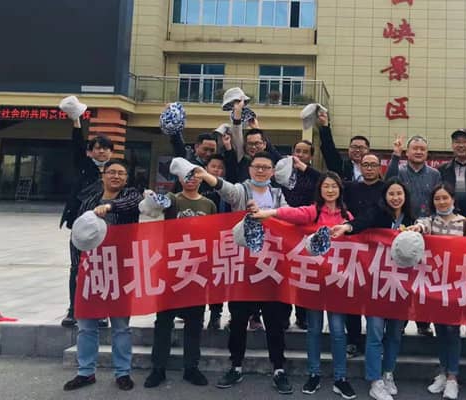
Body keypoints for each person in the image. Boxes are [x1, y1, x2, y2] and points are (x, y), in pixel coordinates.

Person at [252, 172, 356, 399]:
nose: (330, 190)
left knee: (338, 331)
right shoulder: (312, 212)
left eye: (334, 186)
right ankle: (314, 374)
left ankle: (340, 378)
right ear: (320, 190)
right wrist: (267, 213)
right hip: (314, 282)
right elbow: (290, 213)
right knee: (314, 330)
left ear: (340, 189)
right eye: (326, 186)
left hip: (337, 282)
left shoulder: (347, 216)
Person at [209, 152, 294, 394]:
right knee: (238, 321)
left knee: (274, 322)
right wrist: (205, 175)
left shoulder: (278, 195)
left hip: (270, 269)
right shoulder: (241, 191)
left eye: (266, 167)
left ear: (272, 172)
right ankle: (235, 366)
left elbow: (289, 216)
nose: (261, 171)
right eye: (257, 166)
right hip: (242, 269)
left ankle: (279, 369)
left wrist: (269, 214)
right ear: (250, 169)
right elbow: (223, 188)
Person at [331, 178, 415, 400]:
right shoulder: (377, 214)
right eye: (391, 194)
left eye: (399, 193)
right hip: (377, 285)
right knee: (375, 333)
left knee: (394, 334)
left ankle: (388, 373)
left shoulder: (411, 219)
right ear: (385, 196)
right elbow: (362, 222)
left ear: (405, 196)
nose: (395, 198)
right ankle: (375, 380)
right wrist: (347, 227)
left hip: (401, 286)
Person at [63, 159, 142, 392]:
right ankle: (85, 372)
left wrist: (109, 207)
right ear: (103, 176)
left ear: (126, 178)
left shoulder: (131, 197)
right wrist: (77, 266)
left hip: (120, 269)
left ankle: (123, 372)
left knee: (121, 326)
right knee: (86, 325)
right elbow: (77, 235)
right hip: (92, 269)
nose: (116, 176)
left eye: (121, 173)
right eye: (112, 172)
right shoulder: (89, 201)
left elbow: (131, 204)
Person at [143, 168, 217, 389]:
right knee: (163, 321)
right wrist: (151, 198)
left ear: (201, 178)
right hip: (171, 268)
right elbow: (155, 206)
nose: (191, 179)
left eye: (194, 176)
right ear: (179, 178)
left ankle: (191, 367)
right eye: (186, 175)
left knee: (195, 322)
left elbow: (214, 233)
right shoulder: (172, 200)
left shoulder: (209, 205)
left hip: (196, 270)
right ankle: (158, 368)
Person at [406, 184, 466, 400]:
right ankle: (443, 372)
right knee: (440, 331)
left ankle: (453, 377)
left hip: (455, 286)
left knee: (453, 332)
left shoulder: (464, 223)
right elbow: (421, 226)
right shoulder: (430, 222)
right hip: (434, 286)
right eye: (437, 199)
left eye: (445, 198)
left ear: (453, 199)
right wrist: (417, 228)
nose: (442, 202)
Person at [60, 115, 114, 328]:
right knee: (77, 268)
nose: (102, 152)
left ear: (111, 152)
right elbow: (76, 146)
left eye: (106, 148)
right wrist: (76, 121)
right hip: (81, 228)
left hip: (107, 229)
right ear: (90, 151)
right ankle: (73, 310)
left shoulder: (116, 171)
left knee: (103, 268)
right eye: (97, 148)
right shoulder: (84, 166)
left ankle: (100, 311)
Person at [386, 135, 441, 336]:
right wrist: (395, 155)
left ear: (427, 153)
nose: (418, 152)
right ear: (407, 152)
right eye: (414, 148)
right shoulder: (399, 171)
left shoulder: (435, 174)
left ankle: (423, 323)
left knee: (423, 278)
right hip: (403, 228)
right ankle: (399, 322)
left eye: (422, 149)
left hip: (426, 230)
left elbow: (438, 199)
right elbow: (388, 184)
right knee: (402, 277)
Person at [341, 153, 388, 357]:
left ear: (380, 167)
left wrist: (351, 226)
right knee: (352, 294)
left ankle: (375, 342)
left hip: (380, 251)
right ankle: (353, 340)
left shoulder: (386, 190)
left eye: (373, 165)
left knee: (377, 296)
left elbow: (375, 215)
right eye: (365, 164)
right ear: (360, 167)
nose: (369, 168)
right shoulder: (351, 188)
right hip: (353, 248)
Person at [277, 140, 323, 331]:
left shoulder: (314, 175)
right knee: (284, 274)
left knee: (303, 274)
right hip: (284, 227)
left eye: (305, 152)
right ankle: (283, 316)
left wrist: (305, 169)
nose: (300, 155)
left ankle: (302, 316)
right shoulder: (283, 170)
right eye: (297, 151)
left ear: (311, 156)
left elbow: (326, 182)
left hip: (306, 228)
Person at [317, 111, 370, 181]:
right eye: (354, 147)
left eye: (361, 147)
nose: (357, 150)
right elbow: (329, 149)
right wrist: (325, 126)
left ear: (368, 150)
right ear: (349, 149)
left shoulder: (374, 168)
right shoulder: (342, 166)